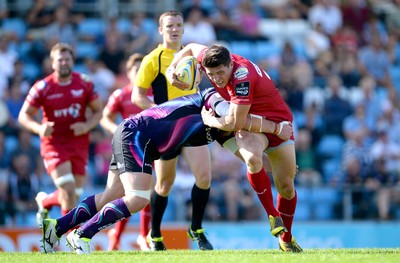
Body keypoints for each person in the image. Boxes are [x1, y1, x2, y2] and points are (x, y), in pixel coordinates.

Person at [40, 88, 293, 254]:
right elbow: (227, 114)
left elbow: (253, 161)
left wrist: (285, 166)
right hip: (137, 134)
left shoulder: (225, 134)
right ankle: (82, 235)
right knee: (138, 198)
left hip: (141, 140)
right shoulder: (213, 97)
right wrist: (268, 125)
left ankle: (56, 228)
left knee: (109, 196)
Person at [166, 43, 303, 252]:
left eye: (221, 72)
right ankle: (272, 215)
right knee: (253, 159)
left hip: (278, 123)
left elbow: (236, 123)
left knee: (286, 185)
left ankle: (286, 238)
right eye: (211, 75)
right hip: (251, 126)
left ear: (230, 65)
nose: (217, 79)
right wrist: (171, 70)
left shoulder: (242, 77)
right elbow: (192, 47)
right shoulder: (208, 59)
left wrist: (209, 121)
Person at [130, 10, 211, 251]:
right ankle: (154, 234)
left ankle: (196, 229)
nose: (174, 29)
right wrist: (159, 113)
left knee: (205, 178)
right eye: (169, 26)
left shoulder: (194, 56)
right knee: (164, 184)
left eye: (178, 25)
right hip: (168, 130)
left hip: (194, 124)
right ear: (160, 30)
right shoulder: (153, 59)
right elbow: (137, 96)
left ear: (184, 28)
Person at [18, 42, 103, 227]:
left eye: (67, 59)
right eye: (60, 59)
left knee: (74, 194)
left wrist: (87, 125)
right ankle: (71, 236)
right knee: (68, 188)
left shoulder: (84, 83)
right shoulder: (43, 87)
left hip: (79, 143)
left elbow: (99, 111)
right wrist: (39, 128)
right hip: (54, 143)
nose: (64, 62)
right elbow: (23, 116)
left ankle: (46, 201)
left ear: (73, 61)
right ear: (52, 63)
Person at [99, 53, 151, 251]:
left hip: (150, 148)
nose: (139, 73)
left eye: (142, 70)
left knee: (146, 192)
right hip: (128, 149)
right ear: (128, 73)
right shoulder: (121, 95)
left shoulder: (152, 94)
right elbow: (105, 118)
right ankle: (115, 233)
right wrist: (120, 132)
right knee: (125, 195)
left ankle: (144, 236)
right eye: (135, 70)